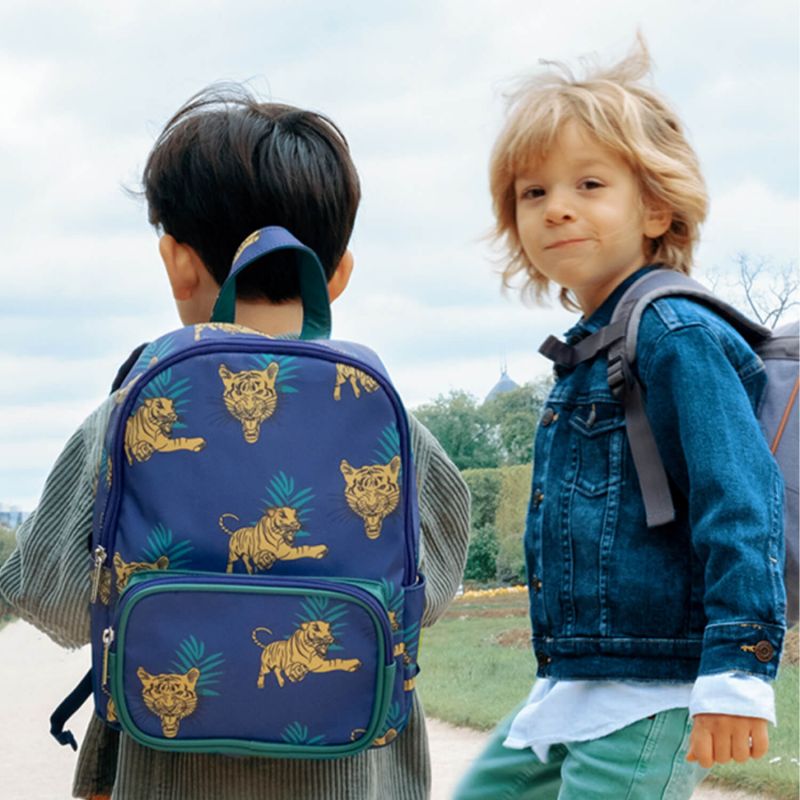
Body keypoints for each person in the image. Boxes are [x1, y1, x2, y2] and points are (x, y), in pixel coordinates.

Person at [0, 85, 470, 800]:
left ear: (177, 262)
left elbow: (56, 600)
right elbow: (427, 596)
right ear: (337, 275)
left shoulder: (128, 409)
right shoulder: (394, 423)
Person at [455, 38, 786, 800]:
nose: (557, 206)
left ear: (657, 205)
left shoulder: (676, 334)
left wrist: (738, 666)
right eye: (532, 193)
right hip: (581, 680)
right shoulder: (590, 348)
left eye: (589, 183)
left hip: (652, 692)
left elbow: (739, 498)